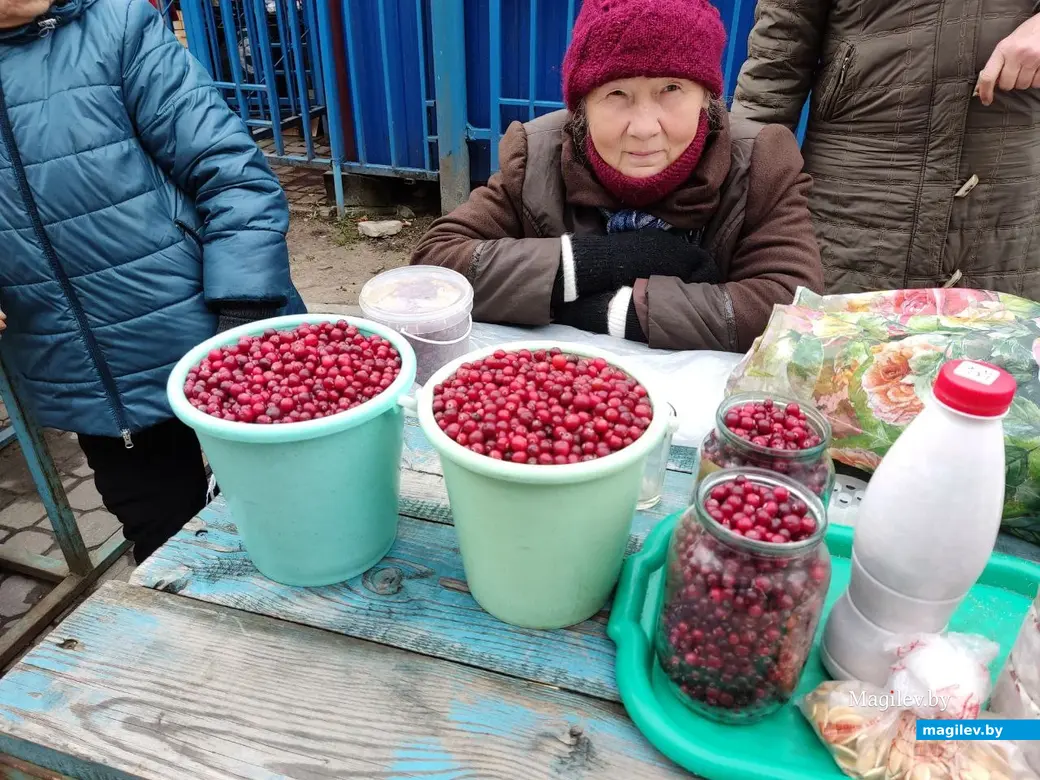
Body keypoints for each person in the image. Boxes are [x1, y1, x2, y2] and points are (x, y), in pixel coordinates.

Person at [0, 0, 305, 562]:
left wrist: (242, 317)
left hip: (214, 328)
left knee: (298, 508)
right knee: (170, 551)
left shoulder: (117, 26)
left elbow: (232, 174)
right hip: (91, 380)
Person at [410, 0, 823, 354]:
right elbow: (435, 268)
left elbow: (791, 308)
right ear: (582, 109)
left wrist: (611, 312)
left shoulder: (760, 160)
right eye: (616, 94)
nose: (645, 127)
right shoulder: (536, 155)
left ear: (707, 99)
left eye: (672, 88)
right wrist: (597, 263)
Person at [732, 0, 1040, 298]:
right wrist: (736, 200)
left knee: (996, 344)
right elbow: (775, 62)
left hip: (1011, 205)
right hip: (855, 197)